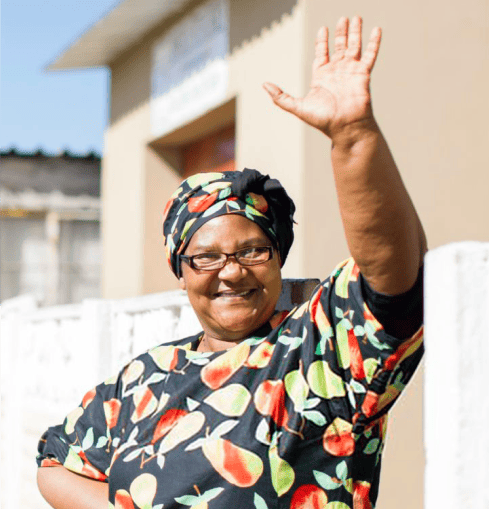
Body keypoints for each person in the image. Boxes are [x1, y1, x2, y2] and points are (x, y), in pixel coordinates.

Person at [36, 16, 427, 509]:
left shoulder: (316, 354)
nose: (231, 270)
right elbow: (56, 461)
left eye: (251, 251)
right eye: (205, 257)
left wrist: (353, 138)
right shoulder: (145, 377)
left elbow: (394, 280)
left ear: (277, 258)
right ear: (181, 273)